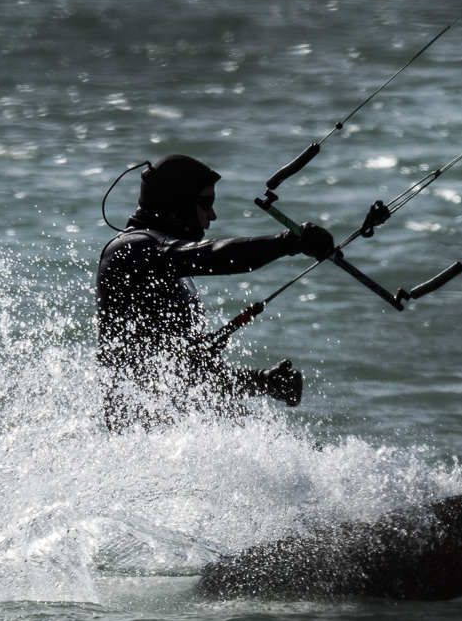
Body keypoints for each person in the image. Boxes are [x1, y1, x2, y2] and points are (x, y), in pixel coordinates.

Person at [96, 154, 334, 431]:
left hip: (175, 428)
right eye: (206, 204)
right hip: (143, 436)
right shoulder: (132, 249)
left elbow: (185, 376)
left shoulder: (167, 265)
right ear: (178, 204)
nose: (212, 215)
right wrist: (287, 243)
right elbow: (210, 255)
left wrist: (262, 380)